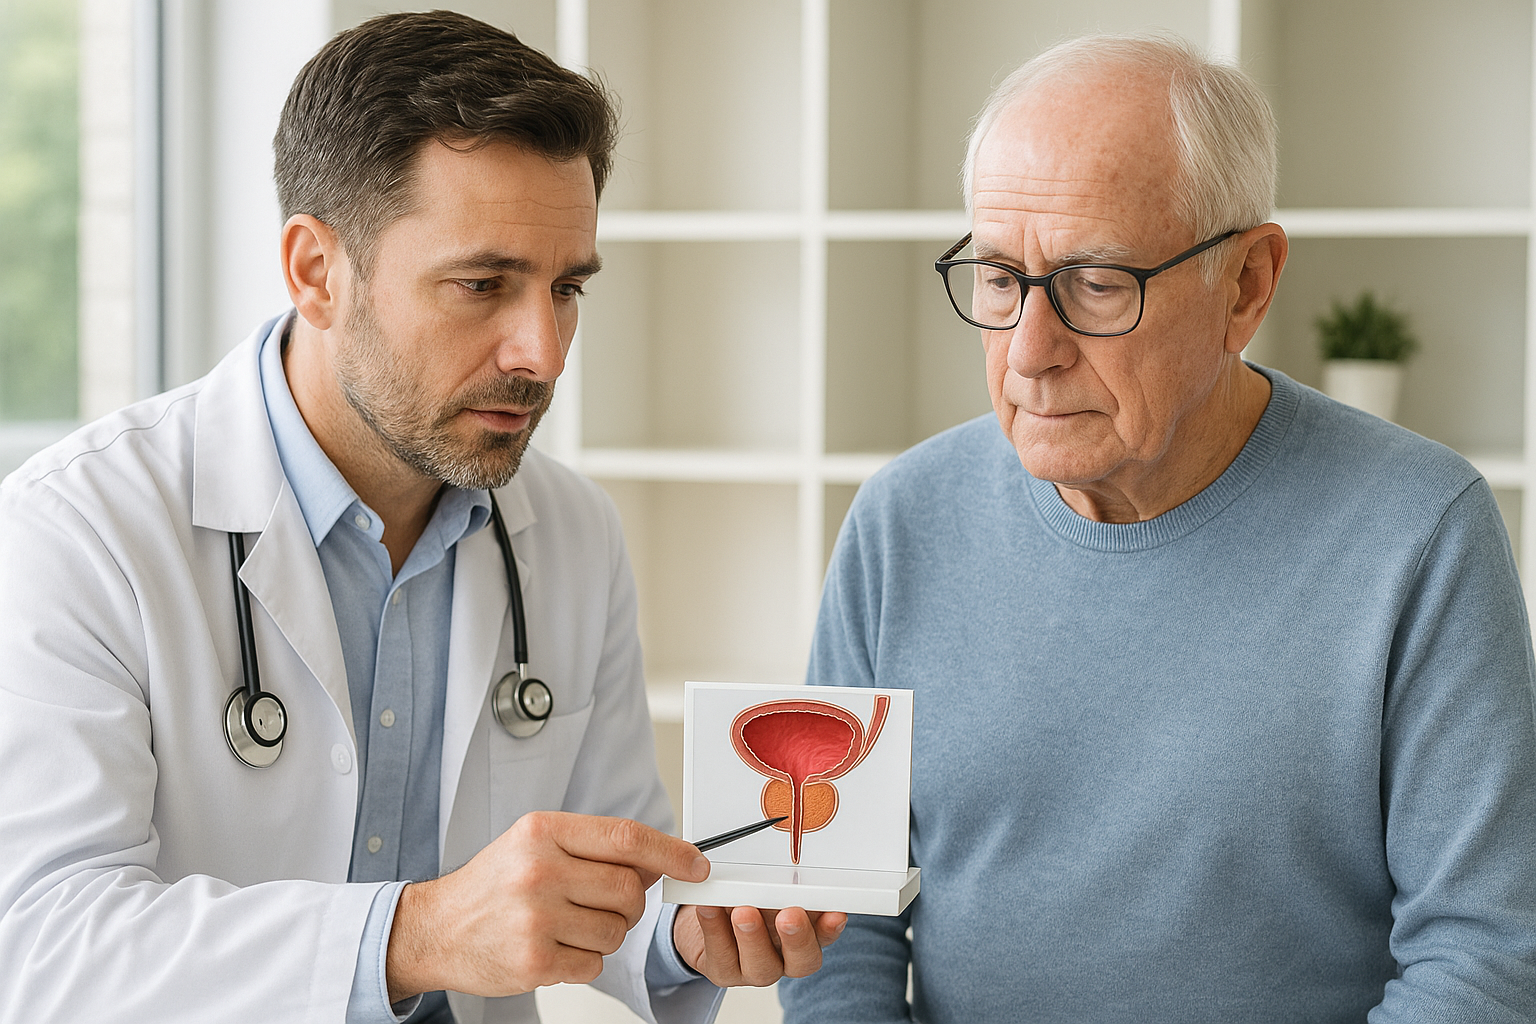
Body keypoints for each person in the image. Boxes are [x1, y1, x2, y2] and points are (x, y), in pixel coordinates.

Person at [0, 12, 842, 1023]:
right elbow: (42, 946)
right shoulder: (76, 532)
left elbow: (608, 861)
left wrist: (679, 930)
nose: (542, 351)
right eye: (481, 285)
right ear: (317, 272)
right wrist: (419, 934)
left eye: (567, 287)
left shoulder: (570, 533)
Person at [780, 33, 1536, 1024]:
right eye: (1000, 278)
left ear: (1247, 285)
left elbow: (1484, 954)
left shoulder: (1419, 530)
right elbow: (838, 922)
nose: (1028, 353)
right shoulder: (900, 520)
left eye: (1096, 284)